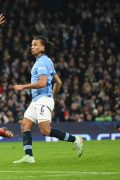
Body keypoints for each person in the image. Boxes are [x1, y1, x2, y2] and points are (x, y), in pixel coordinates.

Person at [12, 36, 84, 164]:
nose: (32, 47)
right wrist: (52, 97)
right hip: (39, 100)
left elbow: (42, 83)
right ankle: (29, 156)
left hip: (42, 99)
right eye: (31, 45)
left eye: (35, 45)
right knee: (25, 125)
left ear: (43, 47)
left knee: (45, 130)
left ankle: (76, 139)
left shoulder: (41, 63)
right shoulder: (47, 61)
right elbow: (59, 82)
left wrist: (23, 86)